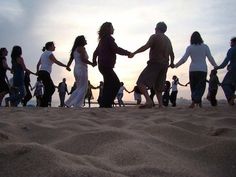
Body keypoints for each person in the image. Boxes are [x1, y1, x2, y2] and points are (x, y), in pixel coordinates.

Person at [129, 21, 175, 108]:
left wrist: (134, 53)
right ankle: (160, 105)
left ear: (156, 28)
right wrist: (172, 63)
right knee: (158, 86)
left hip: (155, 63)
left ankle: (149, 100)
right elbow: (172, 54)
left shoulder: (155, 36)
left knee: (140, 82)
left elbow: (146, 46)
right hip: (165, 65)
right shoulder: (168, 40)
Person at [93, 22, 131, 108]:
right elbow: (116, 49)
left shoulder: (102, 40)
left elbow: (95, 52)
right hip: (106, 66)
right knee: (116, 84)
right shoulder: (108, 39)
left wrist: (94, 61)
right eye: (112, 27)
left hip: (102, 66)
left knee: (107, 85)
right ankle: (107, 103)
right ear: (108, 29)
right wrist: (128, 53)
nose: (113, 29)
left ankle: (104, 104)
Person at [174, 31, 217, 108]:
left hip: (193, 70)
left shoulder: (190, 47)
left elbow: (184, 59)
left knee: (193, 87)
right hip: (202, 70)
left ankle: (196, 102)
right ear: (200, 38)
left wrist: (176, 65)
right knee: (200, 87)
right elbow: (210, 58)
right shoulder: (205, 47)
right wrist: (215, 65)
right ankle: (195, 102)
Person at [65, 35, 94, 108]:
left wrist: (68, 67)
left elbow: (70, 61)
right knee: (83, 87)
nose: (86, 40)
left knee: (79, 87)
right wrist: (92, 64)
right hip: (82, 69)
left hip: (76, 69)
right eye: (85, 39)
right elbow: (83, 59)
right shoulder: (81, 48)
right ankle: (77, 104)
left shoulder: (75, 50)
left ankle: (69, 103)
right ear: (82, 41)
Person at [37, 41, 68, 107]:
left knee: (48, 89)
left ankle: (43, 104)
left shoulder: (43, 54)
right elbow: (57, 62)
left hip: (41, 72)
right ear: (50, 47)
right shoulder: (49, 53)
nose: (55, 47)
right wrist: (66, 66)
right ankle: (43, 103)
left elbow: (38, 64)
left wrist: (37, 72)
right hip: (45, 73)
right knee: (51, 89)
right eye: (53, 46)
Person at [215, 37, 236, 105]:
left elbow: (225, 63)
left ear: (233, 42)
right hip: (232, 68)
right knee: (232, 85)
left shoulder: (232, 50)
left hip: (233, 70)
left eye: (231, 42)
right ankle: (231, 102)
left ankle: (231, 97)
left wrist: (218, 67)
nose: (230, 44)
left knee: (225, 84)